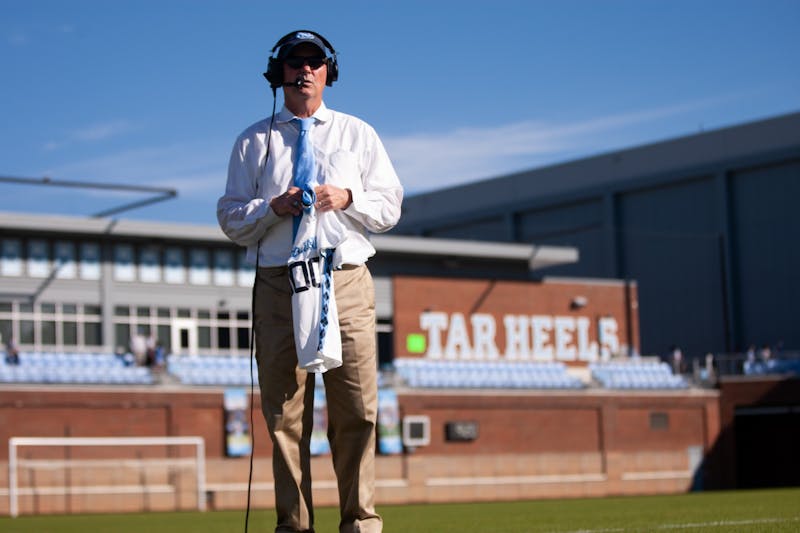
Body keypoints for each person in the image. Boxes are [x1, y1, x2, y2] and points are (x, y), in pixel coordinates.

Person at [217, 30, 402, 533]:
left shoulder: (358, 134)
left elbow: (389, 207)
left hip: (344, 278)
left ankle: (360, 522)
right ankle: (293, 526)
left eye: (314, 62)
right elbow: (231, 217)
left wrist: (347, 197)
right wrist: (270, 207)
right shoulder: (254, 140)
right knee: (283, 415)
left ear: (329, 72)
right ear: (277, 74)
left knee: (357, 408)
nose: (304, 71)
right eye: (294, 63)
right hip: (278, 282)